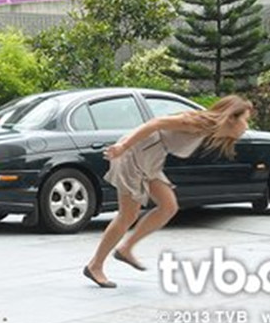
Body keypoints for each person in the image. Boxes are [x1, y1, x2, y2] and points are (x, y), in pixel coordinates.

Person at [83, 95, 253, 288]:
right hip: (135, 153)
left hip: (151, 157)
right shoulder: (196, 122)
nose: (247, 126)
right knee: (127, 215)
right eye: (246, 120)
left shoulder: (210, 130)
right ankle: (95, 265)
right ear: (232, 117)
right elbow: (155, 123)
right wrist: (123, 146)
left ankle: (126, 249)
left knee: (168, 206)